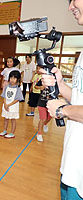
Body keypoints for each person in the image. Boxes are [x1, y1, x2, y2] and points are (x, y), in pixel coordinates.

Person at [40, 1, 83, 198]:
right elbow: (79, 96)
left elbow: (69, 108)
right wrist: (60, 86)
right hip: (72, 163)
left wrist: (62, 110)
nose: (70, 7)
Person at [0, 70, 24, 139]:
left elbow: (17, 99)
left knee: (13, 120)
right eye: (11, 78)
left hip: (13, 106)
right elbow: (4, 96)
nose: (12, 80)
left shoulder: (18, 88)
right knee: (6, 119)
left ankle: (12, 133)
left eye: (14, 78)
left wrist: (9, 105)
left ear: (17, 79)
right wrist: (5, 104)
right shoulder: (7, 86)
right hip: (6, 105)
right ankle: (4, 130)